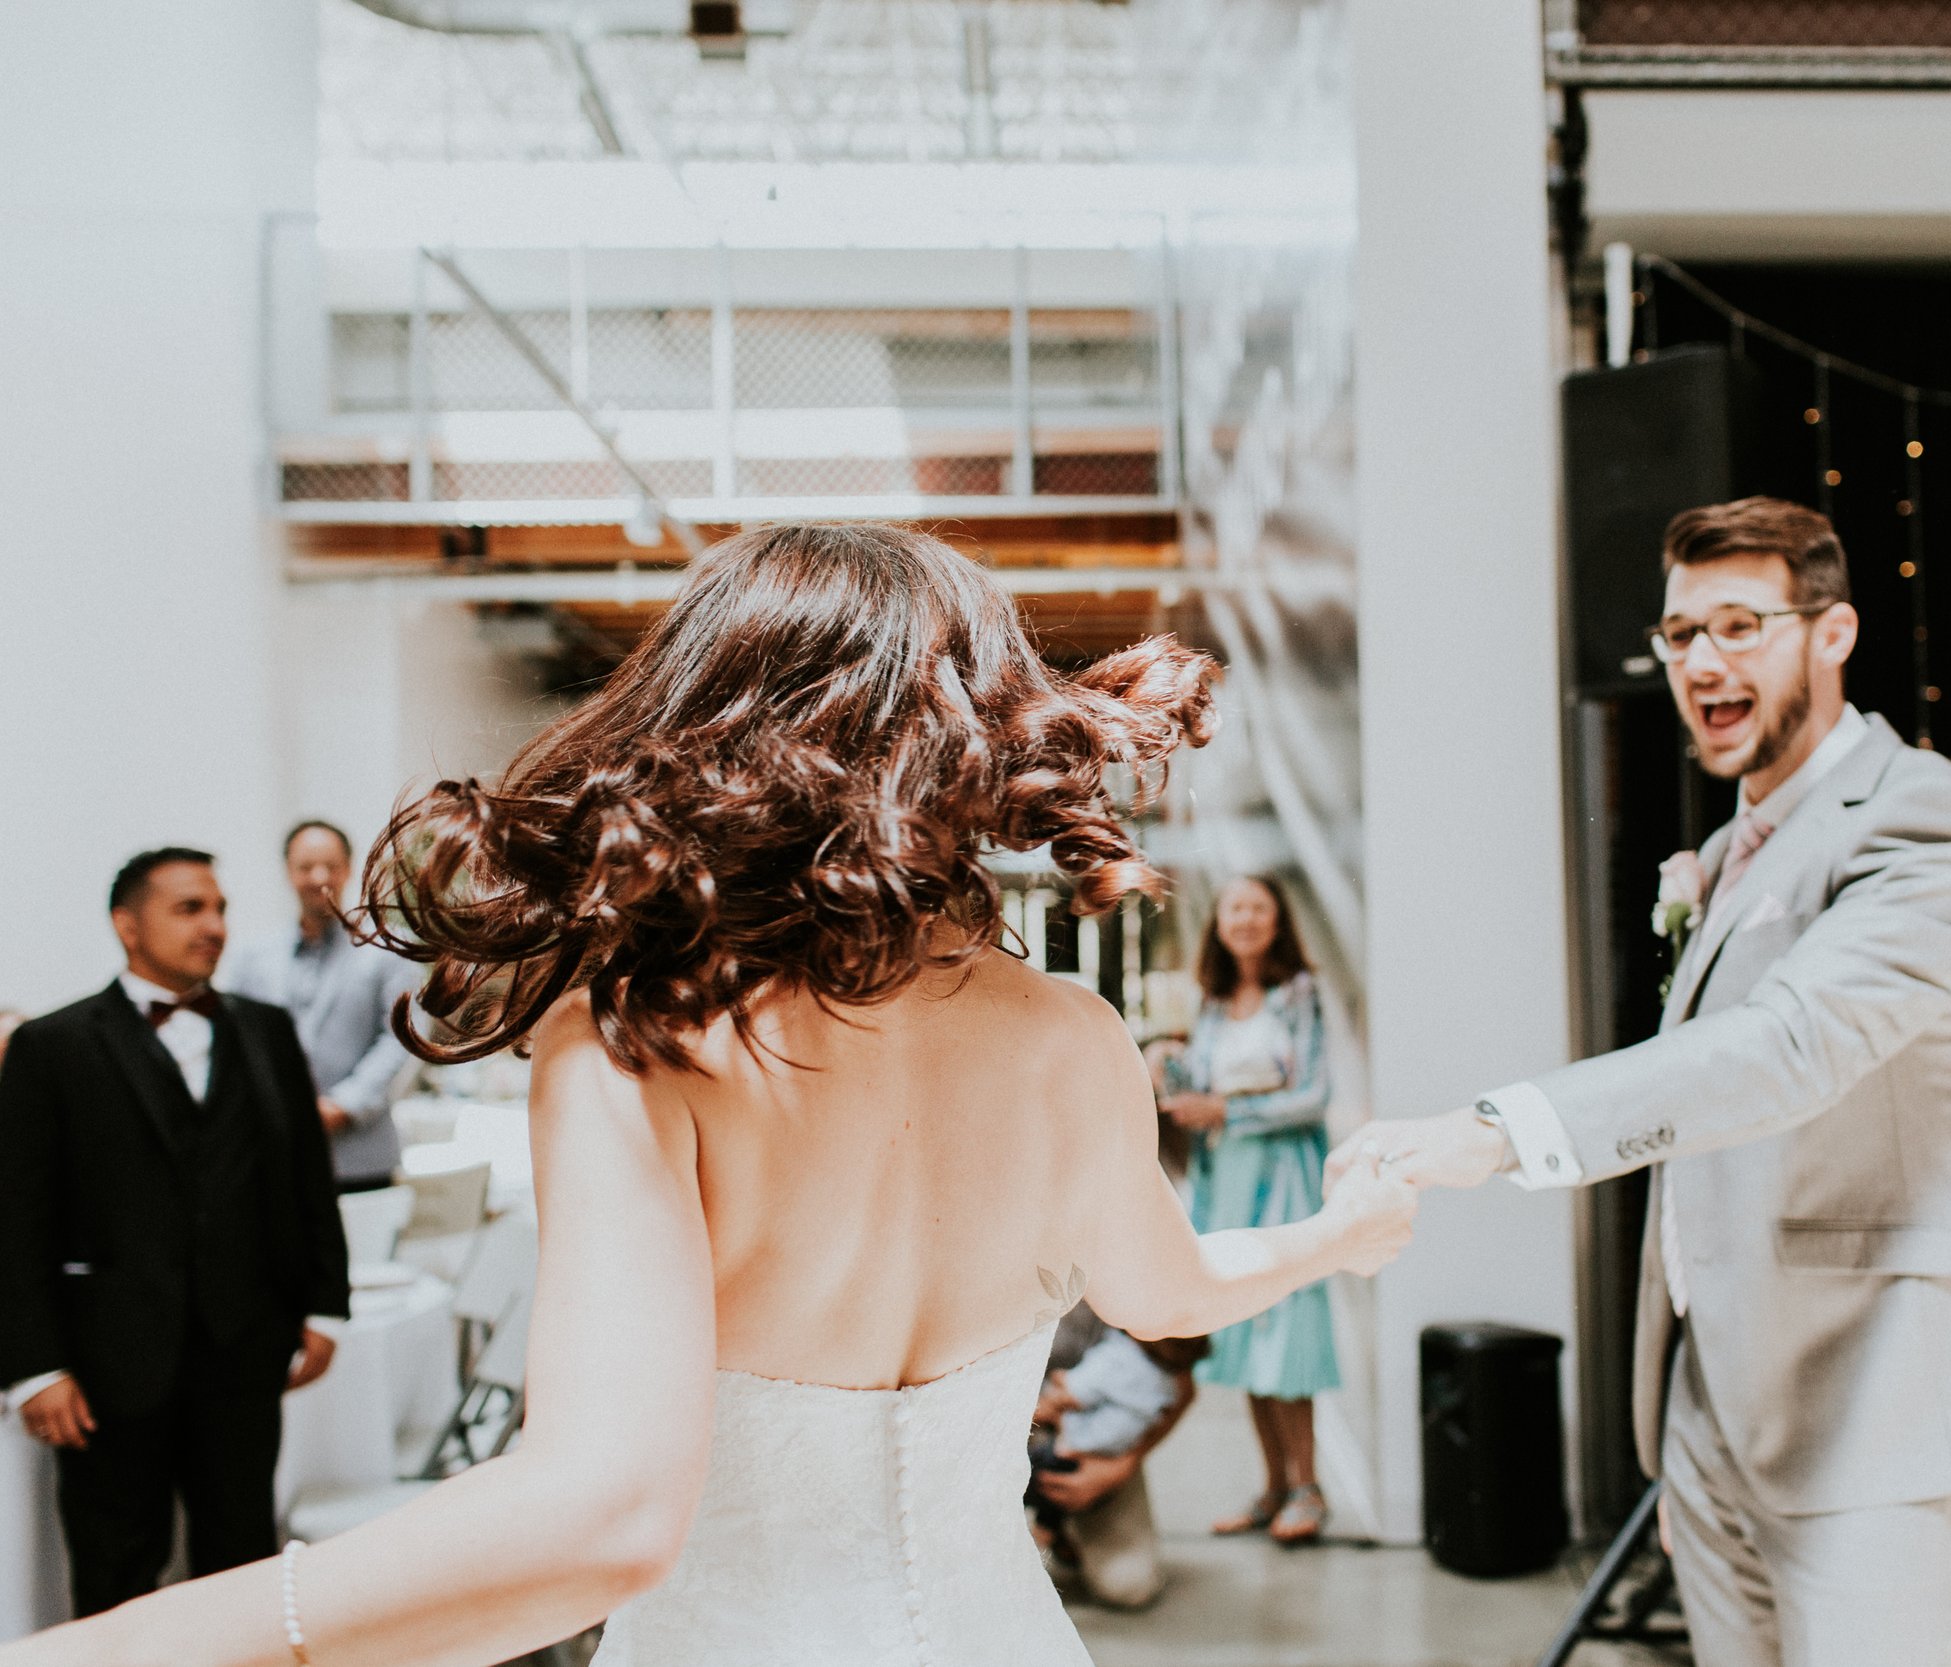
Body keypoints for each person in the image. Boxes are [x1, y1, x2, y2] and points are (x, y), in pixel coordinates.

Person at [0, 522, 1420, 1667]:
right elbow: (1169, 1289)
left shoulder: (634, 1037)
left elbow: (605, 1514)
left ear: (707, 719)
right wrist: (1340, 1234)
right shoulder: (1075, 1035)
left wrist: (165, 1635)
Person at [1332, 496, 1951, 1667]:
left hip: (1876, 1408)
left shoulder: (1921, 819)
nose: (1702, 661)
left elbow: (1786, 1049)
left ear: (1832, 632)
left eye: (1738, 625)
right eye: (1679, 634)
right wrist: (1690, 1437)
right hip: (1719, 1413)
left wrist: (1498, 1129)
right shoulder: (1724, 852)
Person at [0, 849, 349, 1619]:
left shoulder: (265, 1030)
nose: (215, 926)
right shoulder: (52, 1046)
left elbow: (303, 1179)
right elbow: (17, 1217)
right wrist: (32, 1367)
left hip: (244, 1351)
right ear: (128, 924)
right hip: (107, 1363)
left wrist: (327, 1304)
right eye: (190, 908)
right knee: (117, 1566)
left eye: (219, 907)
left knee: (245, 1563)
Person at [1157, 875, 1339, 1543]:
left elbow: (1312, 1095)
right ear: (1221, 922)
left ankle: (1309, 1488)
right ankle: (1271, 1487)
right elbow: (1196, 1091)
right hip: (1224, 1183)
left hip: (1284, 1181)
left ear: (1277, 920)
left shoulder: (1299, 995)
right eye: (1236, 906)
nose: (1246, 917)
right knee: (1243, 1330)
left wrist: (1228, 1110)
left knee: (1287, 1330)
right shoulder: (1210, 1002)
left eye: (1259, 906)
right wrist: (1166, 1066)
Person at [223, 820, 420, 1192]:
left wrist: (344, 1106)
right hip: (274, 1153)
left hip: (362, 1155)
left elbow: (402, 1037)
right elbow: (236, 1040)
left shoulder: (387, 950)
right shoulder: (252, 958)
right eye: (305, 867)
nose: (318, 877)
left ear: (347, 868)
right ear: (288, 872)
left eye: (330, 865)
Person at [1030, 1306, 1205, 1610]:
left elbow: (1181, 1387)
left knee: (1129, 1584)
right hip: (1007, 1424)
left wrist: (1122, 1464)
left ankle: (1059, 1527)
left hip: (1094, 1442)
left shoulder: (1141, 1273)